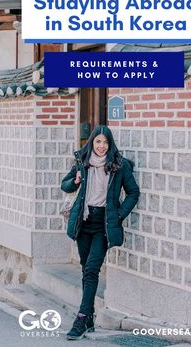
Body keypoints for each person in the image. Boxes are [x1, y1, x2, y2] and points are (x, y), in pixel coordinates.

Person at [61, 125, 140, 340]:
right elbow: (64, 185)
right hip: (83, 222)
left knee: (92, 269)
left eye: (105, 142)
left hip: (103, 224)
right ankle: (89, 319)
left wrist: (119, 215)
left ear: (110, 143)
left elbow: (133, 193)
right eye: (98, 142)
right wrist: (74, 180)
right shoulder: (82, 162)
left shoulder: (119, 165)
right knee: (86, 267)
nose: (102, 146)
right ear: (92, 143)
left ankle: (81, 317)